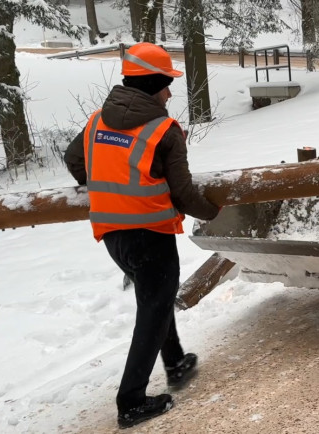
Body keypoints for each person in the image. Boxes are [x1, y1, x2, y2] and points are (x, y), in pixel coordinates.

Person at [63, 42, 220, 429]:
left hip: (113, 234)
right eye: (166, 84)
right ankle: (130, 400)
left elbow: (73, 160)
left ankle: (176, 362)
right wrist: (215, 213)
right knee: (152, 309)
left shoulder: (98, 120)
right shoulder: (165, 130)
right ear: (152, 84)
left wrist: (104, 183)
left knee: (156, 299)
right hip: (150, 233)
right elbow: (183, 191)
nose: (169, 92)